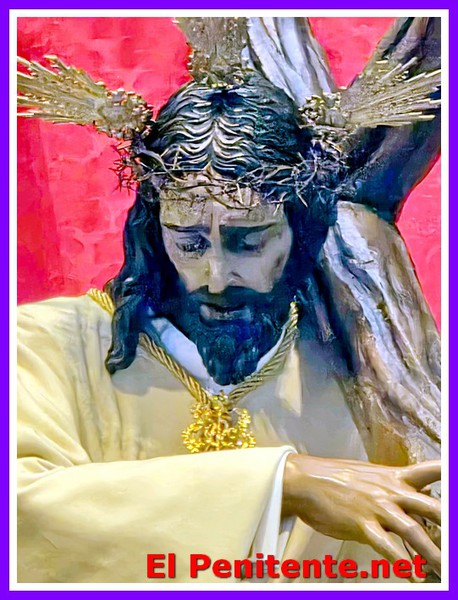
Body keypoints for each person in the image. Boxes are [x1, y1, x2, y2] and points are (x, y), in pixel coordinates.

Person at [17, 17, 441, 583]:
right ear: (153, 233)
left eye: (249, 240)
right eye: (189, 241)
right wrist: (284, 483)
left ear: (301, 231)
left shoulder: (356, 364)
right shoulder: (44, 347)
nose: (215, 276)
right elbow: (19, 510)